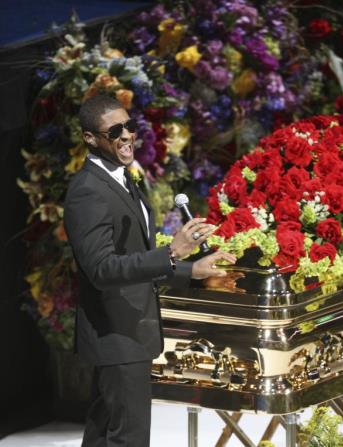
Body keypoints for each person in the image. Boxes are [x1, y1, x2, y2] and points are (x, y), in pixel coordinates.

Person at [63, 94, 236, 447]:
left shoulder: (123, 179)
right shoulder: (88, 191)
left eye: (129, 126)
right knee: (128, 438)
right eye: (115, 131)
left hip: (129, 333)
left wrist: (191, 270)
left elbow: (135, 259)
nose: (127, 136)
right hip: (116, 335)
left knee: (103, 434)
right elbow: (102, 269)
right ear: (90, 138)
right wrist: (171, 251)